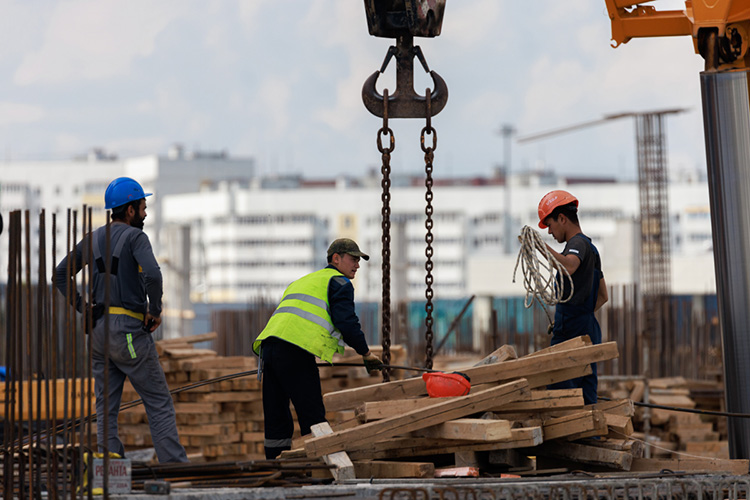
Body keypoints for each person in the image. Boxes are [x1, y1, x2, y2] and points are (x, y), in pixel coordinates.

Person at [55, 177, 188, 463]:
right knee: (158, 402)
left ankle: (110, 466)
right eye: (142, 207)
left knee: (106, 408)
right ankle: (176, 468)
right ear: (129, 210)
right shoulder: (136, 237)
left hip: (99, 332)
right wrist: (155, 310)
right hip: (128, 330)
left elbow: (60, 273)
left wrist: (82, 306)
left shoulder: (93, 238)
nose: (145, 212)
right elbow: (153, 274)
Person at [253, 238, 383, 459]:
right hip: (295, 350)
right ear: (336, 258)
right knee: (312, 414)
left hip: (269, 349)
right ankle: (319, 468)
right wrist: (366, 353)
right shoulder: (339, 282)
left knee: (276, 416)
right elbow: (347, 323)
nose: (357, 265)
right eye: (353, 259)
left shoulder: (303, 281)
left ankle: (275, 467)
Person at [537, 190, 608, 405]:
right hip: (587, 327)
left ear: (562, 218)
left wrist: (540, 247)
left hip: (571, 330)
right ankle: (591, 437)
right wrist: (583, 315)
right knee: (586, 393)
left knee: (562, 396)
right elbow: (603, 296)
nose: (549, 232)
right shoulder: (592, 250)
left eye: (549, 225)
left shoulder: (577, 245)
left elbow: (569, 265)